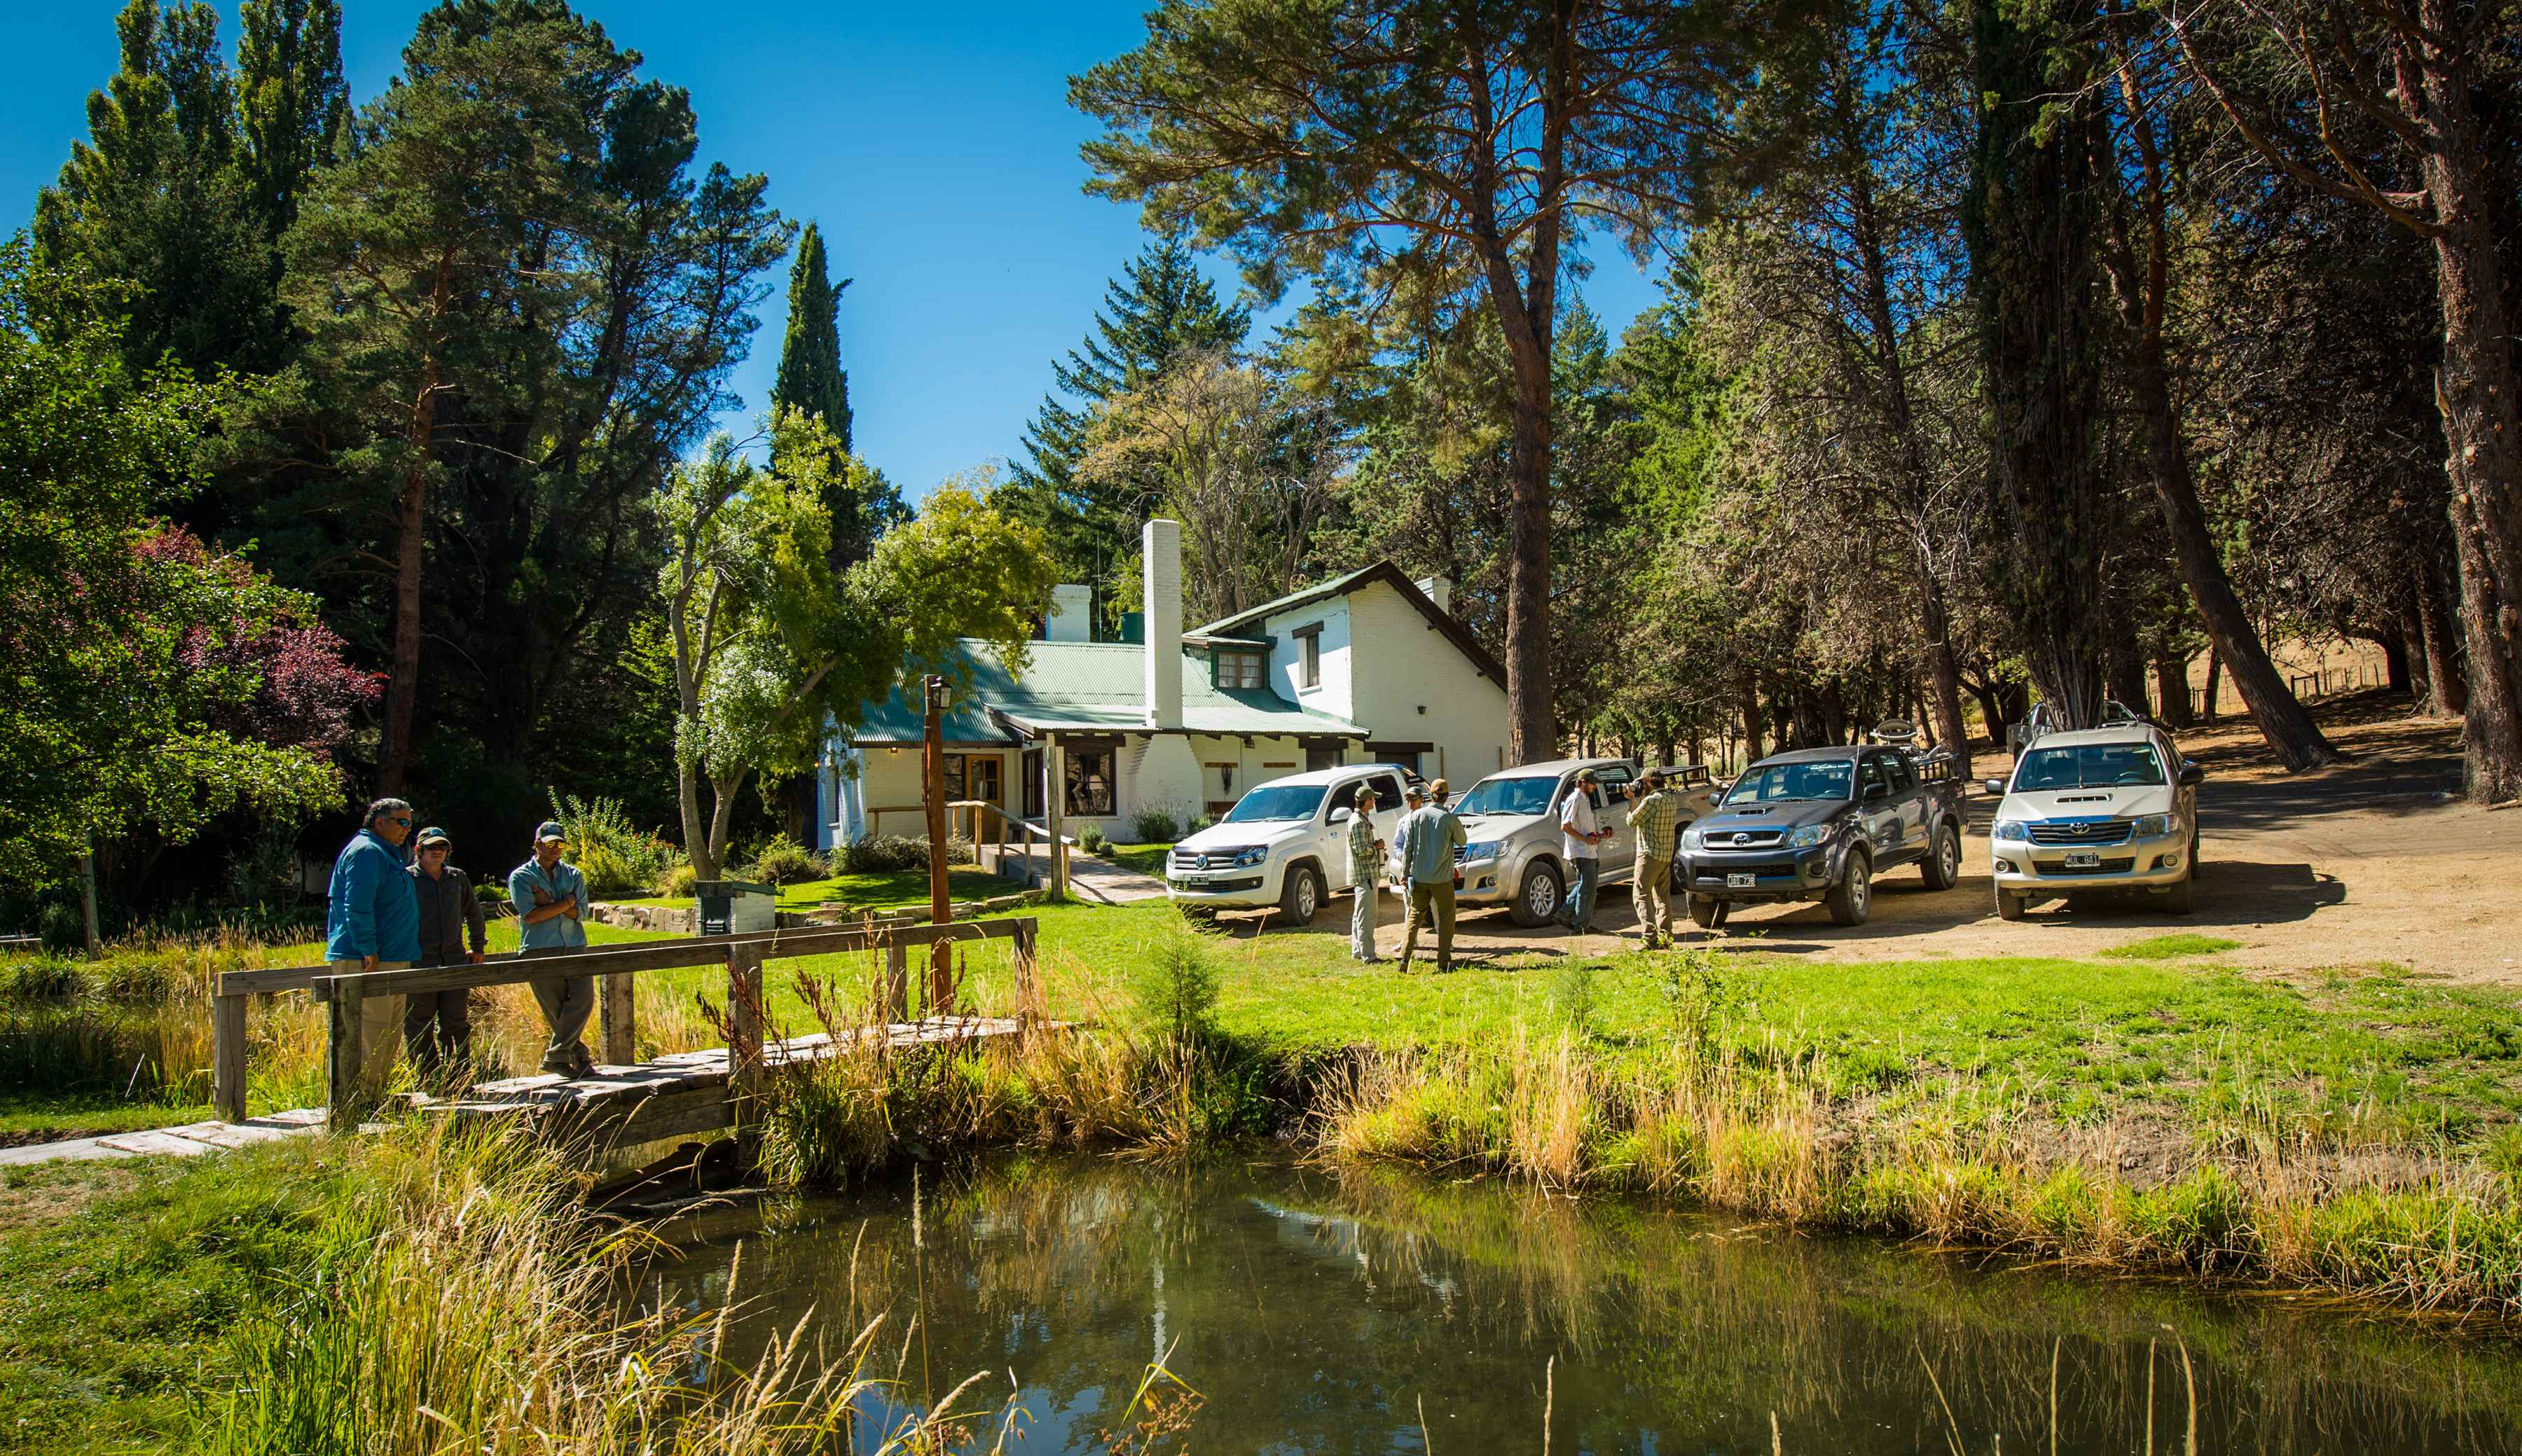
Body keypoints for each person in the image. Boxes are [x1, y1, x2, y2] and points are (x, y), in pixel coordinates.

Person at [324, 798, 420, 1102]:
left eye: (409, 822)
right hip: (367, 959)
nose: (407, 829)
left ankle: (374, 1097)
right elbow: (357, 905)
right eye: (401, 822)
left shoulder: (385, 853)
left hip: (392, 955)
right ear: (380, 822)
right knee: (370, 1031)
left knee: (388, 1032)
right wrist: (368, 948)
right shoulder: (366, 852)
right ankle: (357, 1101)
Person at [509, 819, 595, 1077]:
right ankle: (579, 1057)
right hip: (540, 948)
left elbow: (582, 913)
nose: (556, 848)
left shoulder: (573, 874)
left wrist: (549, 904)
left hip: (574, 944)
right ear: (537, 845)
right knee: (556, 1009)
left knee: (583, 1000)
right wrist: (564, 903)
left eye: (560, 843)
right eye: (550, 843)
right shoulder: (522, 876)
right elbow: (531, 916)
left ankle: (556, 1057)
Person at [404, 826, 487, 1079]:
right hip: (419, 961)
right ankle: (427, 1077)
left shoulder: (457, 877)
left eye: (442, 847)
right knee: (419, 1022)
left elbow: (473, 912)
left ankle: (459, 1077)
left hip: (454, 959)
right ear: (419, 850)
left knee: (456, 1021)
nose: (437, 852)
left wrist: (477, 946)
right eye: (431, 847)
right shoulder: (406, 878)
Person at [1393, 779, 1466, 974]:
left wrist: (1404, 874)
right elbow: (1462, 841)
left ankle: (1404, 958)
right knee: (1446, 918)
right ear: (1446, 797)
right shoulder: (1450, 819)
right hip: (1442, 879)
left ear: (1430, 796)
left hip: (1419, 877)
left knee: (1414, 917)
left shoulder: (1416, 816)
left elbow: (1407, 848)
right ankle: (1443, 962)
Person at [1624, 769, 1685, 949]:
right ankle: (1666, 938)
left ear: (1649, 782)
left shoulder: (1652, 800)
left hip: (1649, 854)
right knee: (1662, 897)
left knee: (1641, 895)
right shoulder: (1670, 799)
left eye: (1643, 783)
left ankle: (1649, 938)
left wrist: (1630, 801)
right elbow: (1643, 819)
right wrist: (1635, 799)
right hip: (1665, 855)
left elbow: (1632, 821)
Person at [1557, 771, 1612, 934]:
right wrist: (1585, 840)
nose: (1594, 786)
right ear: (1582, 782)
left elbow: (1585, 829)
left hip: (1589, 850)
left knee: (1587, 886)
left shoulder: (1585, 799)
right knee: (1587, 887)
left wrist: (1600, 836)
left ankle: (1566, 915)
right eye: (1592, 783)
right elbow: (1565, 826)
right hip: (1580, 851)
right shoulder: (1574, 799)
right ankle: (1580, 924)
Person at [1346, 788, 1386, 963]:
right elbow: (1361, 850)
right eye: (1372, 799)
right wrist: (1376, 846)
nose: (1375, 801)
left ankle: (1358, 950)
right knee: (1367, 916)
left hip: (1365, 875)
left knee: (1360, 914)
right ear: (1366, 801)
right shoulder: (1358, 822)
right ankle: (1368, 955)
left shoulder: (1360, 819)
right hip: (1365, 875)